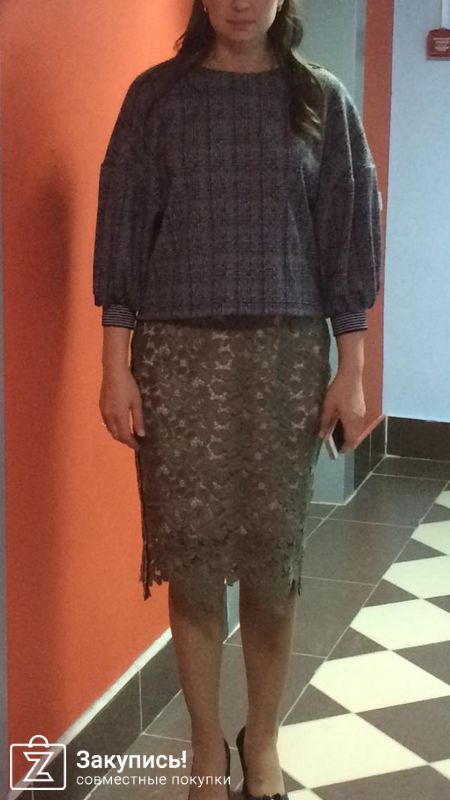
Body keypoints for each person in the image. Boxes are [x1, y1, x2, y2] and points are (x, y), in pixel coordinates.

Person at [92, 1, 382, 798]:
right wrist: (115, 367)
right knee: (191, 560)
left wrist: (353, 369)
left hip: (286, 357)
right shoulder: (157, 97)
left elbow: (348, 237)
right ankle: (204, 744)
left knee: (270, 559)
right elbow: (123, 234)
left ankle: (263, 738)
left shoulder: (321, 98)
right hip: (176, 357)